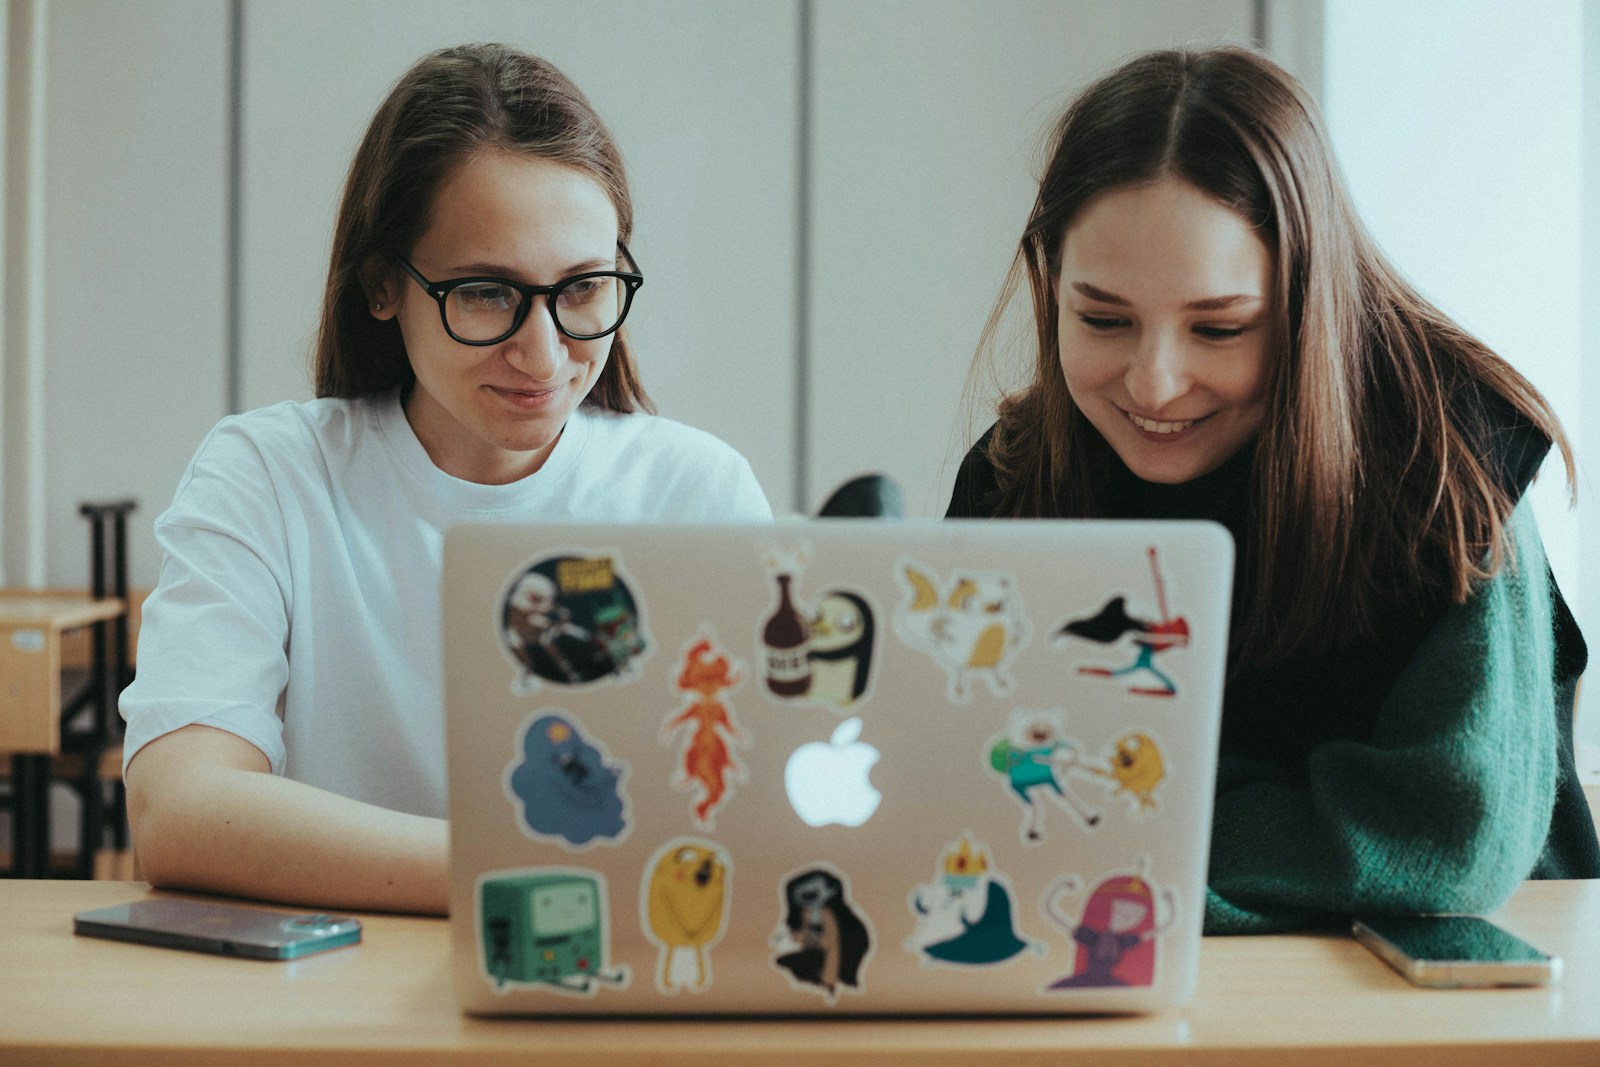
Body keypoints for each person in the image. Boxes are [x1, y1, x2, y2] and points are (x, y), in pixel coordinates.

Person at [946, 46, 1597, 933]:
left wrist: (1130, 825)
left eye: (1220, 329)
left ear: (1309, 303)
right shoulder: (1016, 473)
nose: (1154, 383)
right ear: (1046, 282)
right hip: (1116, 958)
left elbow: (1444, 833)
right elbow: (962, 783)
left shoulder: (1447, 465)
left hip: (1451, 992)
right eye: (1103, 319)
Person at [121, 44, 771, 914]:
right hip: (340, 1000)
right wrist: (536, 871)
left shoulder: (696, 491)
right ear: (384, 285)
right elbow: (180, 809)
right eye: (485, 294)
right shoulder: (271, 475)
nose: (543, 353)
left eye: (582, 288)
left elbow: (763, 809)